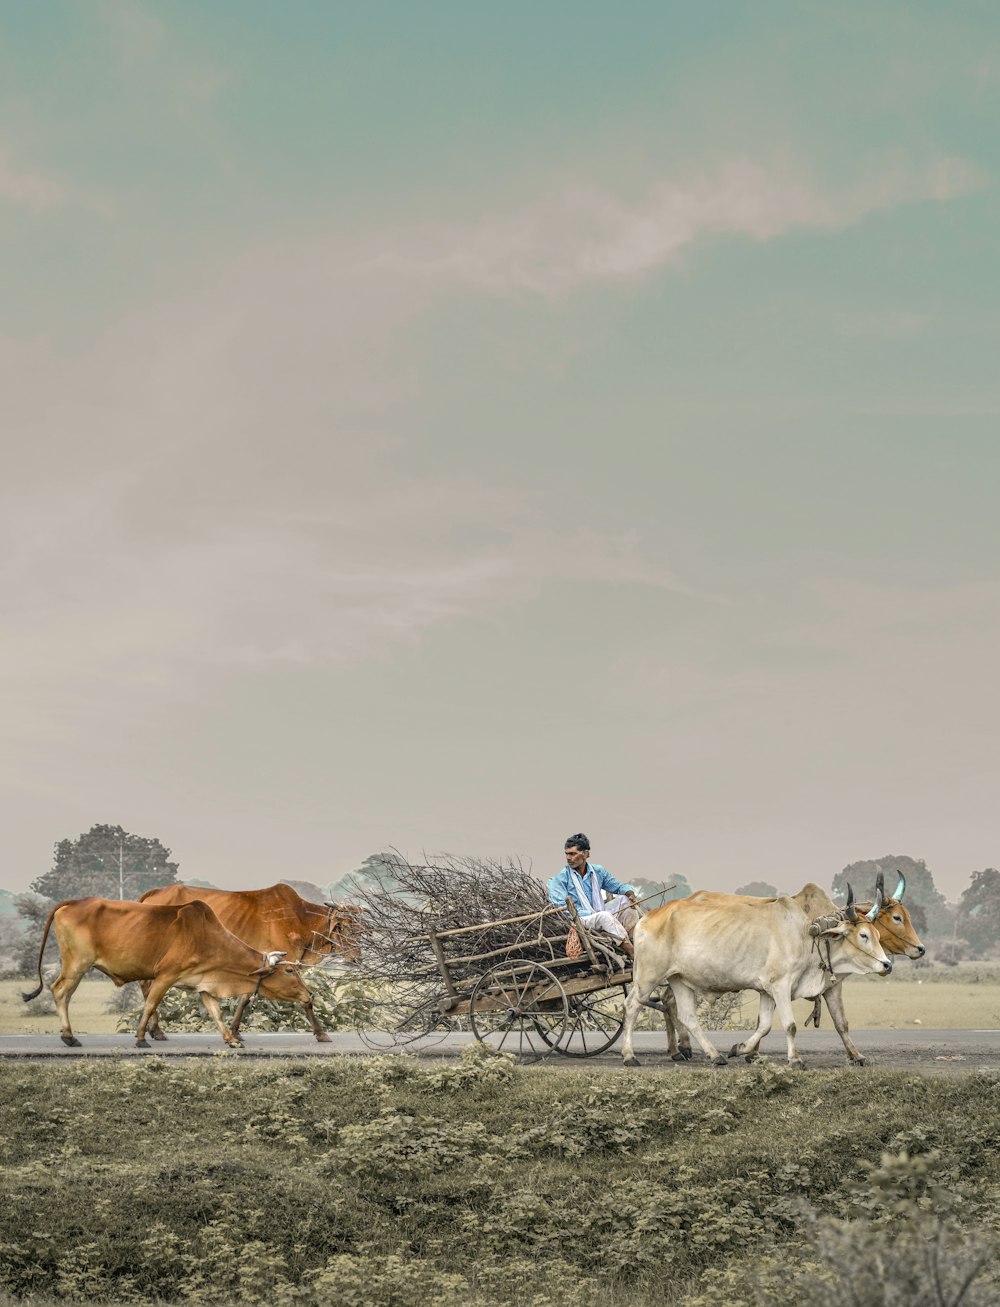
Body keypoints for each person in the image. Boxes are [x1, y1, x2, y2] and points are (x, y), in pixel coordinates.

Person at [547, 833, 640, 959]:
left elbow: (618, 887)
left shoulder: (598, 871)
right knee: (604, 916)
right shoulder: (559, 879)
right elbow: (562, 909)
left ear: (585, 854)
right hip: (579, 919)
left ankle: (635, 941)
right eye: (567, 854)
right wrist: (592, 914)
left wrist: (630, 894)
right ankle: (632, 952)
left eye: (573, 854)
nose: (568, 858)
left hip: (598, 914)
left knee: (626, 901)